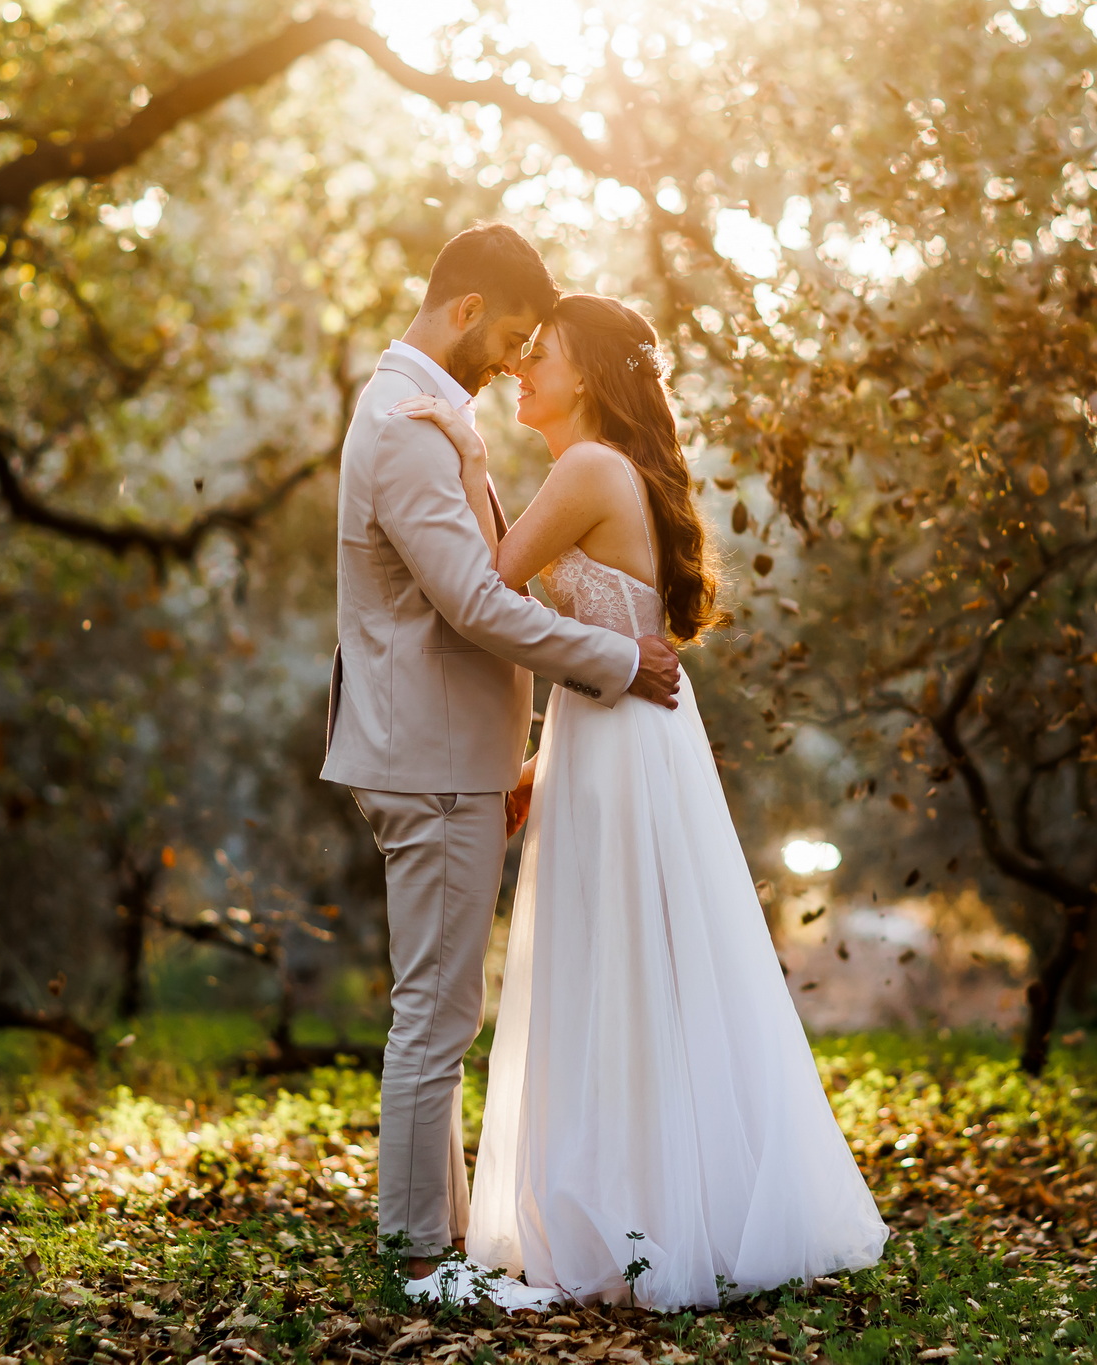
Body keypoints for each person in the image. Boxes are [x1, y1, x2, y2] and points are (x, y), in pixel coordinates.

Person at [393, 293, 890, 1310]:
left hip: (619, 739)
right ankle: (657, 1201)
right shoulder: (602, 471)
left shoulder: (583, 470)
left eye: (543, 356)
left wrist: (460, 448)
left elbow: (485, 583)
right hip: (613, 733)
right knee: (632, 961)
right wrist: (537, 764)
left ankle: (628, 1214)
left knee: (608, 959)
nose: (523, 369)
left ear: (590, 377)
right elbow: (586, 630)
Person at [321, 224, 683, 1310]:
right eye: (515, 335)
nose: (516, 359)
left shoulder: (429, 416)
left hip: (450, 751)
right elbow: (474, 602)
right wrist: (617, 659)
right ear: (467, 309)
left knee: (440, 1009)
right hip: (425, 754)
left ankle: (434, 1246)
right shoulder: (403, 427)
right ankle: (416, 1258)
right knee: (433, 1013)